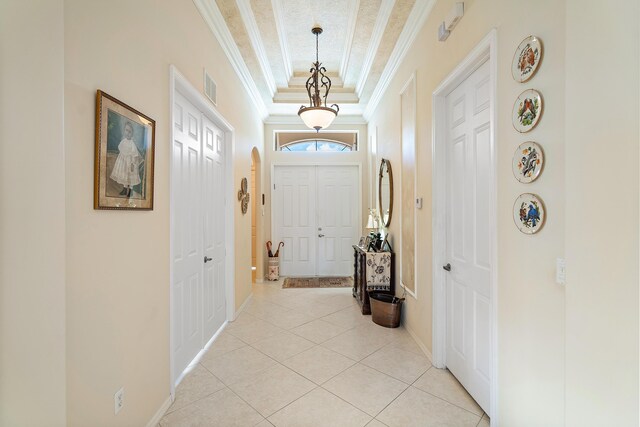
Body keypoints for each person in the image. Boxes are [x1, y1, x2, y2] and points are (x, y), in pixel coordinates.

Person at [110, 121, 143, 198]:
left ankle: (130, 190)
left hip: (130, 162)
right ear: (124, 130)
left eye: (130, 132)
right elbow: (121, 148)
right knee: (124, 175)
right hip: (124, 162)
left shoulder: (132, 143)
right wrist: (122, 158)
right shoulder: (123, 141)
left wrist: (133, 163)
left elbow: (135, 154)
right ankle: (125, 189)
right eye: (126, 130)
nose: (128, 133)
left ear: (132, 133)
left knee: (130, 176)